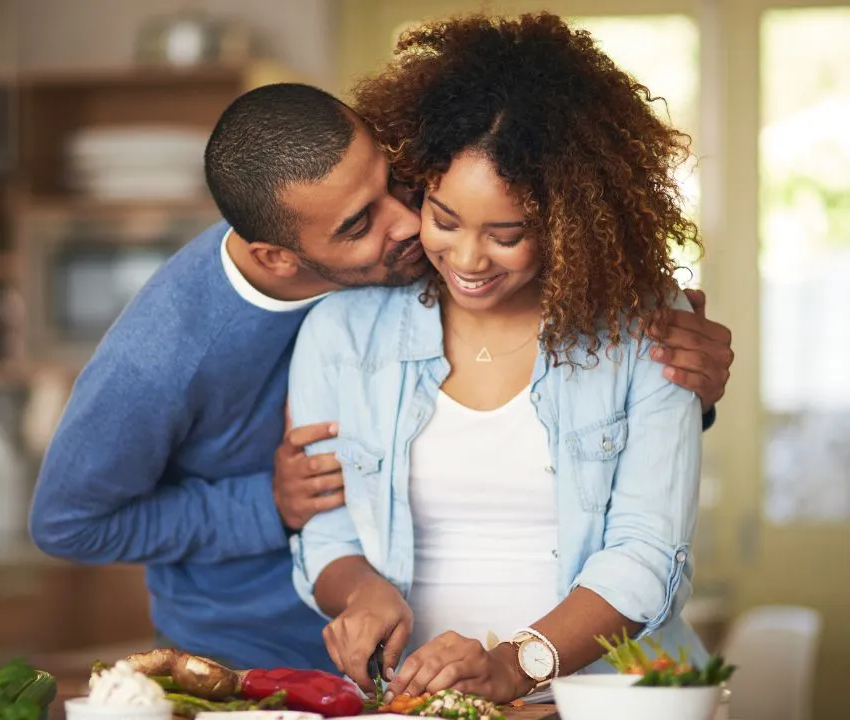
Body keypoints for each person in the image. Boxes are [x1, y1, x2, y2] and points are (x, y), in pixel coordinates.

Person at [30, 80, 733, 670]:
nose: (409, 223)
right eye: (361, 221)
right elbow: (69, 524)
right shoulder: (163, 354)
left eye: (397, 181)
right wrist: (267, 506)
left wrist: (675, 383)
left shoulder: (421, 249)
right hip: (252, 652)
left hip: (428, 670)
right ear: (280, 257)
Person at [287, 13, 709, 701]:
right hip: (423, 706)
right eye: (444, 219)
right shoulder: (342, 333)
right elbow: (325, 529)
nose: (468, 259)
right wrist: (359, 592)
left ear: (570, 223)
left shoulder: (647, 328)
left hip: (607, 701)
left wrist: (517, 664)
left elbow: (647, 555)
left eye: (507, 234)